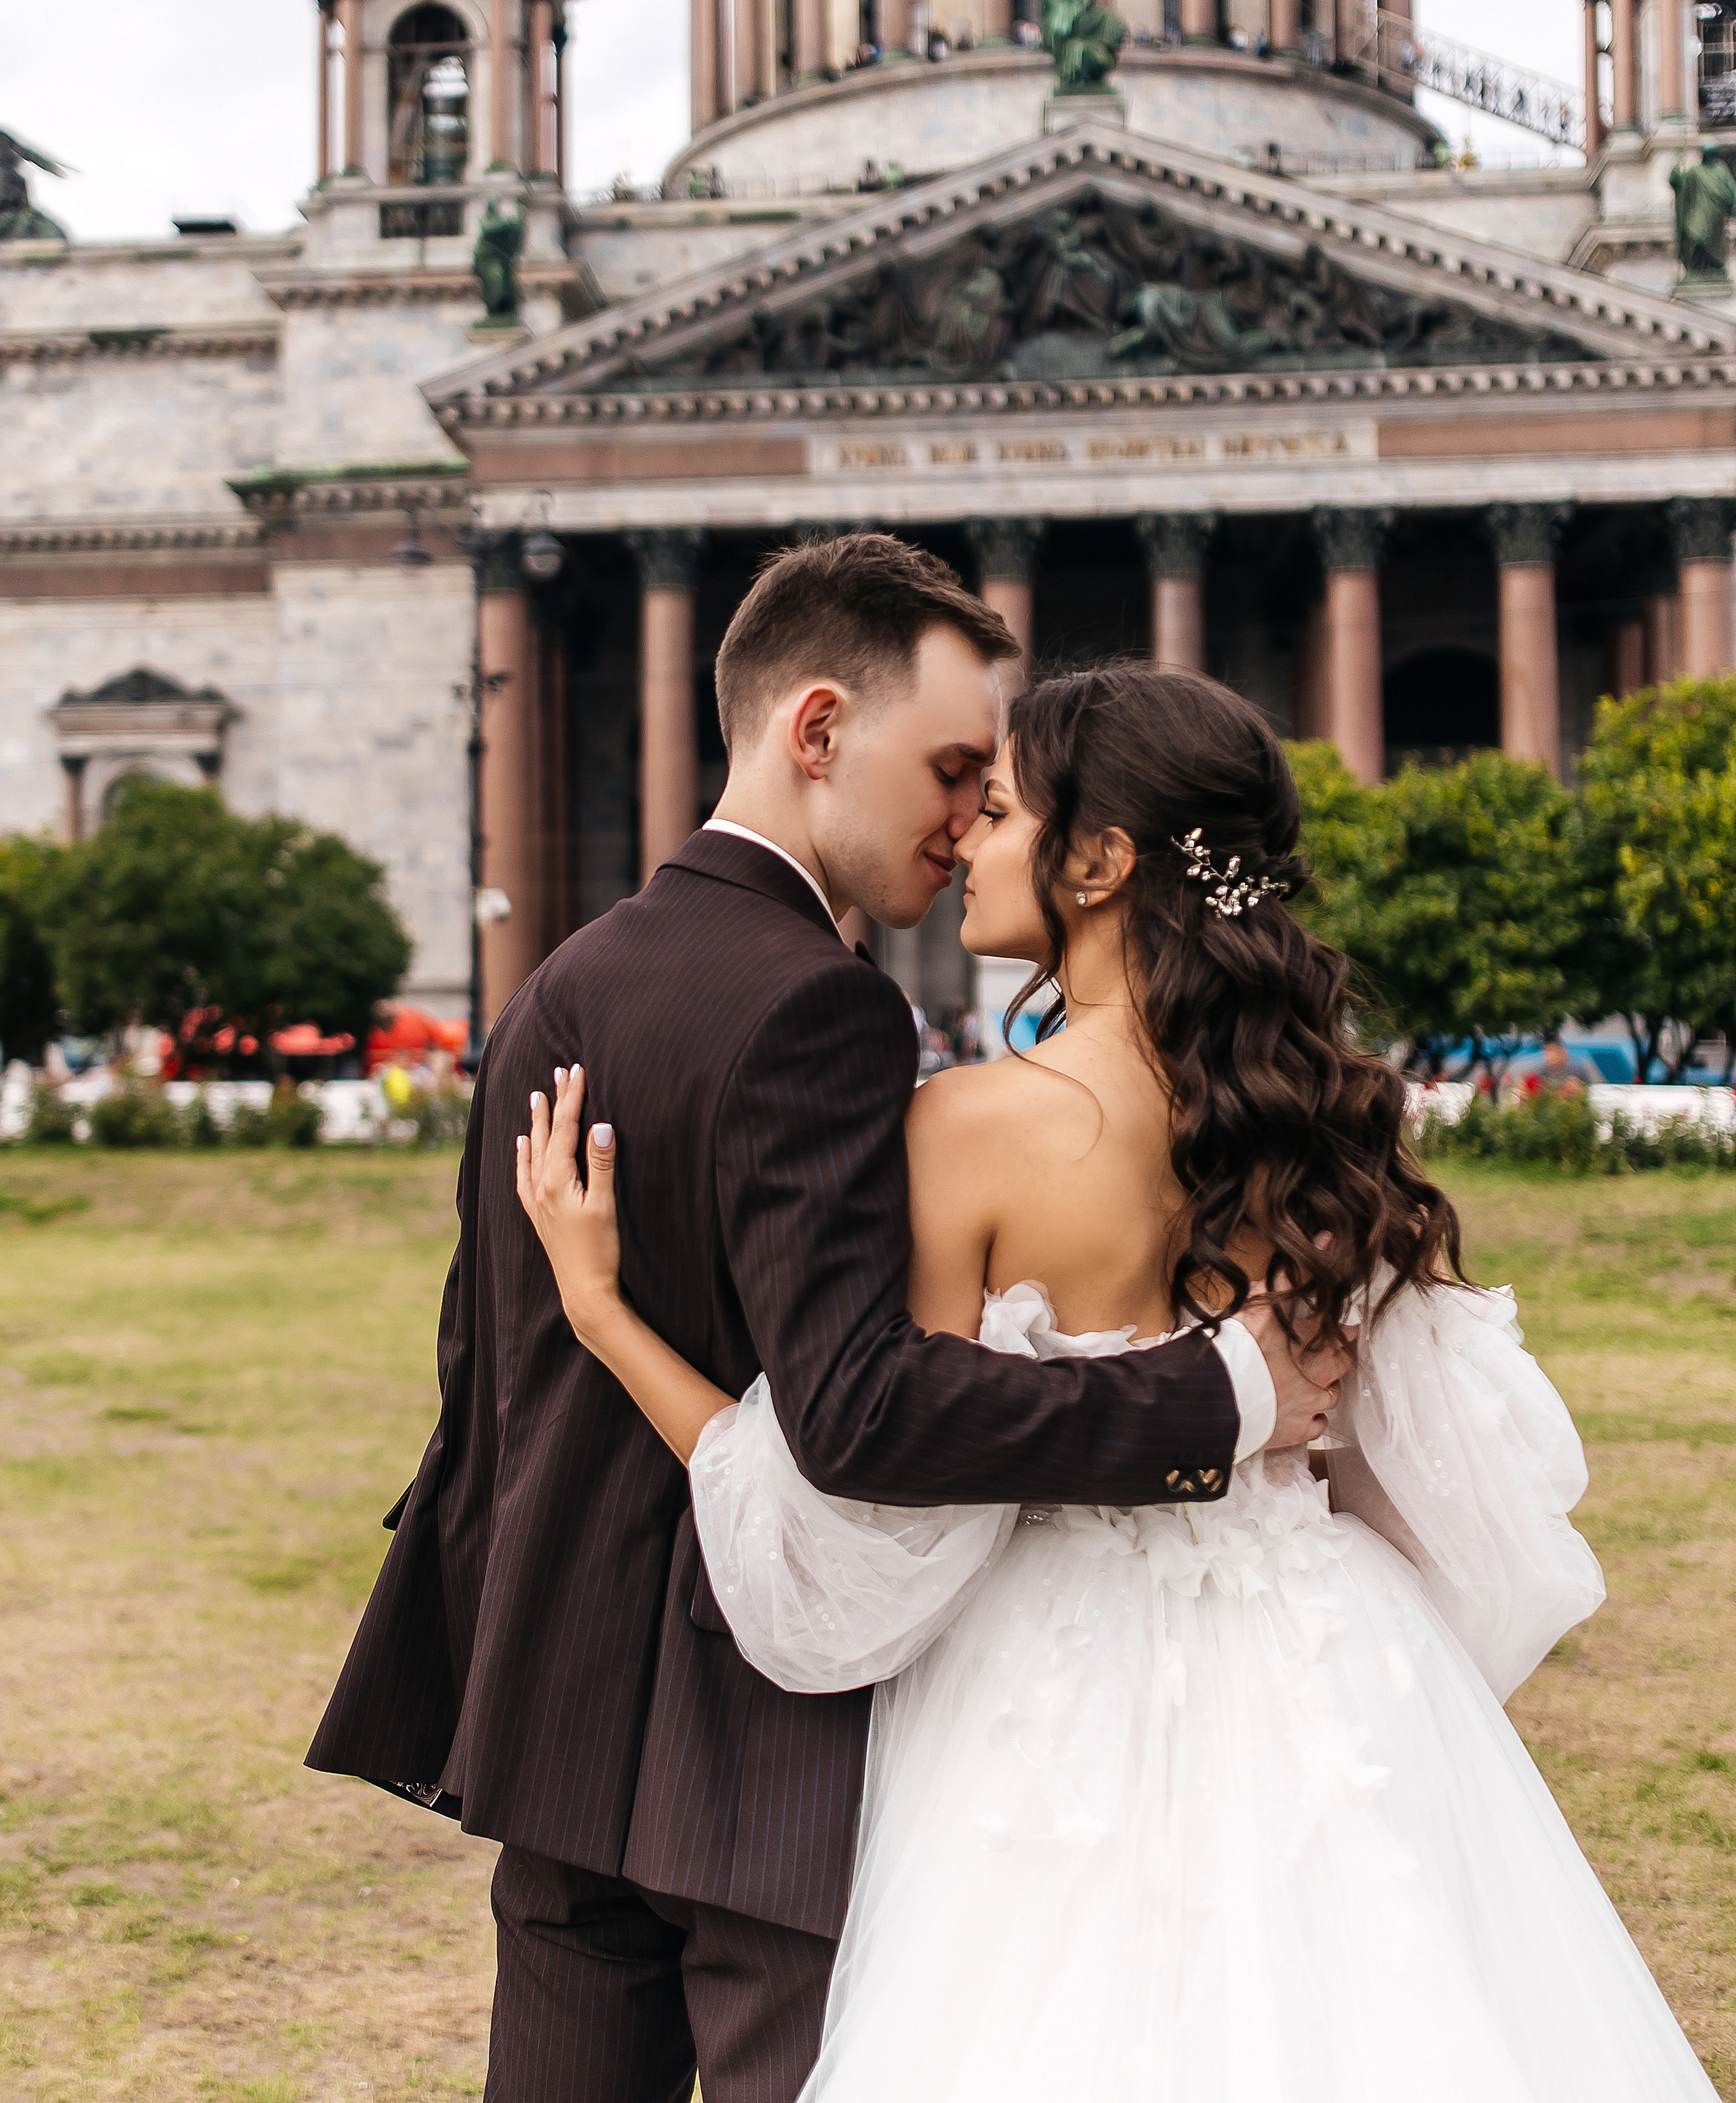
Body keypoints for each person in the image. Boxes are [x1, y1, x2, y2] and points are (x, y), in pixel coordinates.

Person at [519, 664, 1719, 2103]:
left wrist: (602, 1313)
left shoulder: (964, 1128)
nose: (963, 836)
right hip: (1326, 1649)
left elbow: (861, 1495)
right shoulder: (1322, 1120)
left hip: (1048, 1680)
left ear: (1097, 862)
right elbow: (1434, 1475)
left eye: (999, 811)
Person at [308, 538, 1339, 2103]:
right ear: (815, 731)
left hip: (554, 1700)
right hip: (758, 1739)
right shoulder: (822, 1003)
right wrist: (1213, 1402)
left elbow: (484, 1369)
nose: (965, 819)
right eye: (950, 772)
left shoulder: (555, 983)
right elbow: (861, 1406)